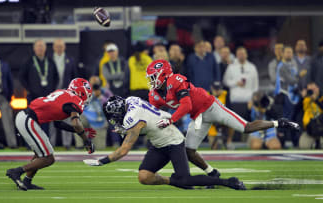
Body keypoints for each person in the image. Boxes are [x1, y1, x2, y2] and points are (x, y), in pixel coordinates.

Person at [146, 59, 300, 178]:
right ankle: (212, 173)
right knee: (189, 151)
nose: (151, 81)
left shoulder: (176, 81)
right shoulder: (155, 94)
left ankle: (279, 122)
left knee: (246, 128)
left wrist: (170, 120)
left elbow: (186, 105)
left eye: (153, 77)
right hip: (198, 116)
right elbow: (152, 113)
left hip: (212, 107)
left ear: (164, 75)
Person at [83, 96, 246, 190]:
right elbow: (146, 121)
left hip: (173, 140)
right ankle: (174, 181)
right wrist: (127, 129)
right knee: (144, 176)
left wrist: (101, 161)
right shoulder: (131, 101)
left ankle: (228, 182)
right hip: (159, 142)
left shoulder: (132, 118)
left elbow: (124, 150)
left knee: (185, 180)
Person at [6, 78, 96, 190]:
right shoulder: (75, 100)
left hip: (26, 117)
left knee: (41, 154)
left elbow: (58, 124)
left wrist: (79, 131)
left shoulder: (61, 92)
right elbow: (76, 123)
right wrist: (86, 140)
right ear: (81, 92)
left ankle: (27, 181)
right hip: (28, 120)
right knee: (48, 158)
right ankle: (16, 171)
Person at [50, 39, 78, 149]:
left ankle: (67, 143)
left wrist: (72, 92)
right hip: (53, 93)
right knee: (52, 117)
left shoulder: (70, 60)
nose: (59, 48)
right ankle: (51, 142)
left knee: (67, 117)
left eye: (61, 46)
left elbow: (74, 76)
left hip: (67, 93)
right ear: (53, 47)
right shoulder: (50, 60)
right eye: (57, 46)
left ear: (64, 47)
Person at [223, 47, 259, 121]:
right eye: (239, 54)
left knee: (250, 126)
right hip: (235, 101)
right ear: (236, 55)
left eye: (243, 53)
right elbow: (225, 81)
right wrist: (236, 83)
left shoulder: (252, 67)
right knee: (237, 127)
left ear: (246, 55)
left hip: (248, 101)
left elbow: (256, 85)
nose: (241, 55)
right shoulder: (231, 67)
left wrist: (253, 100)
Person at [82, 76, 113, 150]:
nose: (95, 86)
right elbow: (81, 104)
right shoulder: (85, 91)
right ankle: (79, 146)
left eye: (96, 84)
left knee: (100, 148)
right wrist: (92, 96)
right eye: (93, 84)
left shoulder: (104, 91)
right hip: (87, 118)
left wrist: (101, 97)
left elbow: (112, 102)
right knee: (77, 120)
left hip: (100, 120)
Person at [300, 82, 323, 149]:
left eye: (314, 89)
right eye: (310, 90)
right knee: (304, 146)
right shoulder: (305, 100)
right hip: (309, 130)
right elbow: (296, 111)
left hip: (321, 128)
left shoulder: (321, 98)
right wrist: (302, 97)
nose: (312, 91)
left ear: (318, 88)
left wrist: (316, 100)